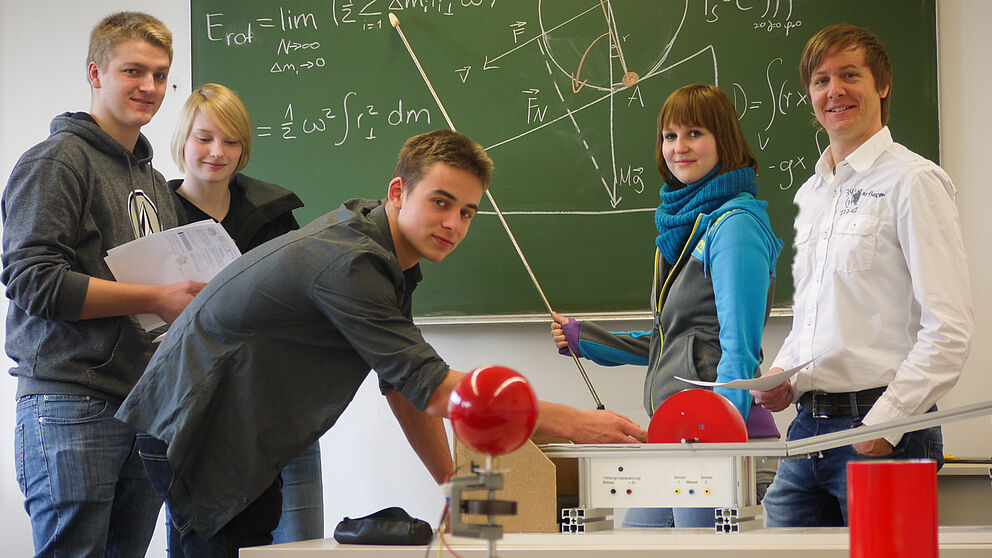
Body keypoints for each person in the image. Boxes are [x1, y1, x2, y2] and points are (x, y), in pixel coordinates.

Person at [115, 129, 647, 556]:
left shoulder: (387, 258)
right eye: (441, 202)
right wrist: (577, 423)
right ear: (398, 192)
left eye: (467, 212)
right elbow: (437, 390)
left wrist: (452, 484)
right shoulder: (352, 264)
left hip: (229, 426)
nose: (453, 224)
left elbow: (404, 385)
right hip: (195, 425)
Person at [1, 12, 205, 557]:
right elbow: (33, 281)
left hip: (142, 406)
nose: (150, 87)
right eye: (133, 71)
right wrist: (157, 299)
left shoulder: (154, 181)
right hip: (71, 403)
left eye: (161, 75)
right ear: (95, 73)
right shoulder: (57, 161)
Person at [752, 24, 973, 527]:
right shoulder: (813, 190)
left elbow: (950, 331)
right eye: (821, 80)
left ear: (882, 85)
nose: (835, 91)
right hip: (808, 431)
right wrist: (783, 374)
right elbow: (816, 314)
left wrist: (886, 425)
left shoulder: (914, 181)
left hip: (884, 435)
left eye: (850, 75)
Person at [550, 84, 783, 528]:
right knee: (637, 538)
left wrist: (721, 440)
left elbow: (741, 351)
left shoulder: (735, 225)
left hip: (719, 444)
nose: (679, 147)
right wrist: (588, 341)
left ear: (723, 141)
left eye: (694, 133)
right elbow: (669, 344)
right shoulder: (682, 231)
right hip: (674, 439)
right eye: (669, 136)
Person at [169, 83, 321, 545]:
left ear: (244, 148)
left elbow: (304, 299)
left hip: (279, 402)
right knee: (200, 539)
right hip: (195, 412)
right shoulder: (156, 213)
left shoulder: (273, 214)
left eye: (231, 141)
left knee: (298, 542)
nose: (217, 152)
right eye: (204, 138)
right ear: (183, 140)